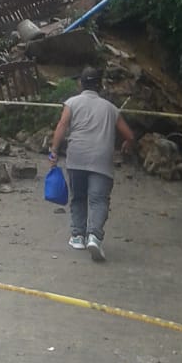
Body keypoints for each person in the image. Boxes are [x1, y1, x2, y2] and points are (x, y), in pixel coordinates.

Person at [48, 66, 135, 261]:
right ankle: (94, 236)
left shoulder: (72, 103)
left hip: (76, 158)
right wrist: (127, 145)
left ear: (81, 84)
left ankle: (78, 236)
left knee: (78, 197)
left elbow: (62, 125)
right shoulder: (111, 108)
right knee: (99, 199)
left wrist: (54, 151)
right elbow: (129, 135)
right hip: (101, 160)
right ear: (100, 85)